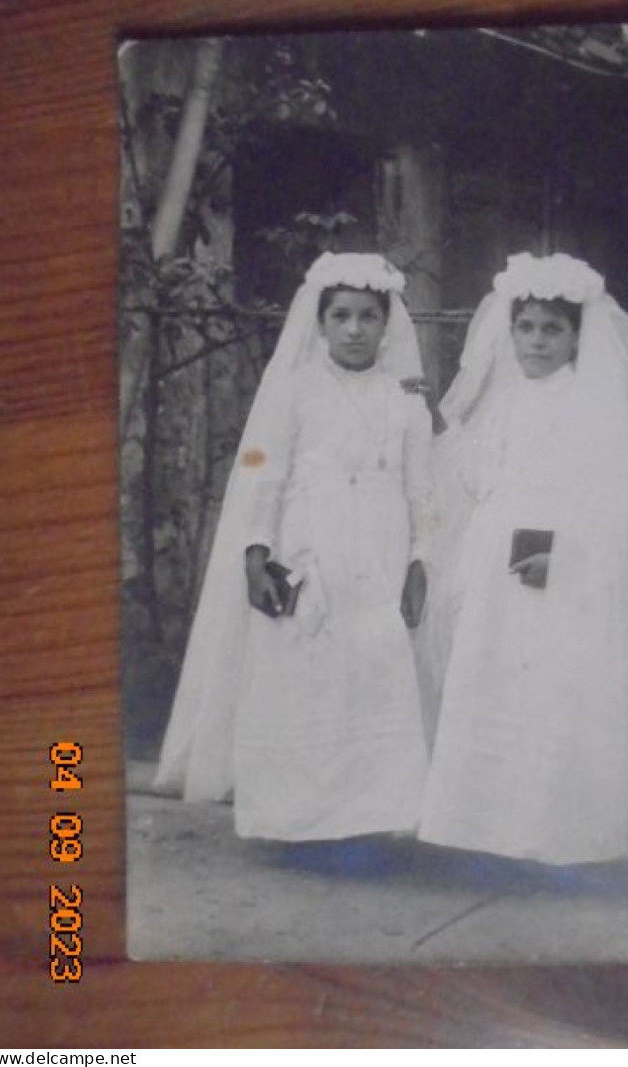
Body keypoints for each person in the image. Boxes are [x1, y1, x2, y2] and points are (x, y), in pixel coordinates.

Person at [155, 252, 433, 843]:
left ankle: (372, 818)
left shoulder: (406, 397)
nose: (354, 329)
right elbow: (262, 470)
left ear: (387, 325)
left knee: (372, 669)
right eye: (341, 316)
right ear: (321, 322)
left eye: (367, 317)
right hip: (311, 543)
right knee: (307, 665)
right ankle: (297, 817)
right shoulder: (296, 388)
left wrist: (419, 562)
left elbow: (423, 488)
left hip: (380, 552)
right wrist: (256, 554)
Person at [417, 252, 628, 865]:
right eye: (526, 328)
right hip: (495, 549)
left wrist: (552, 551)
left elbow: (612, 497)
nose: (536, 342)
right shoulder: (506, 398)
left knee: (546, 684)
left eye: (551, 330)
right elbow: (479, 474)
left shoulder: (587, 404)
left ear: (575, 337)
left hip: (556, 557)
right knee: (489, 676)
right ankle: (483, 829)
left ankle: (545, 830)